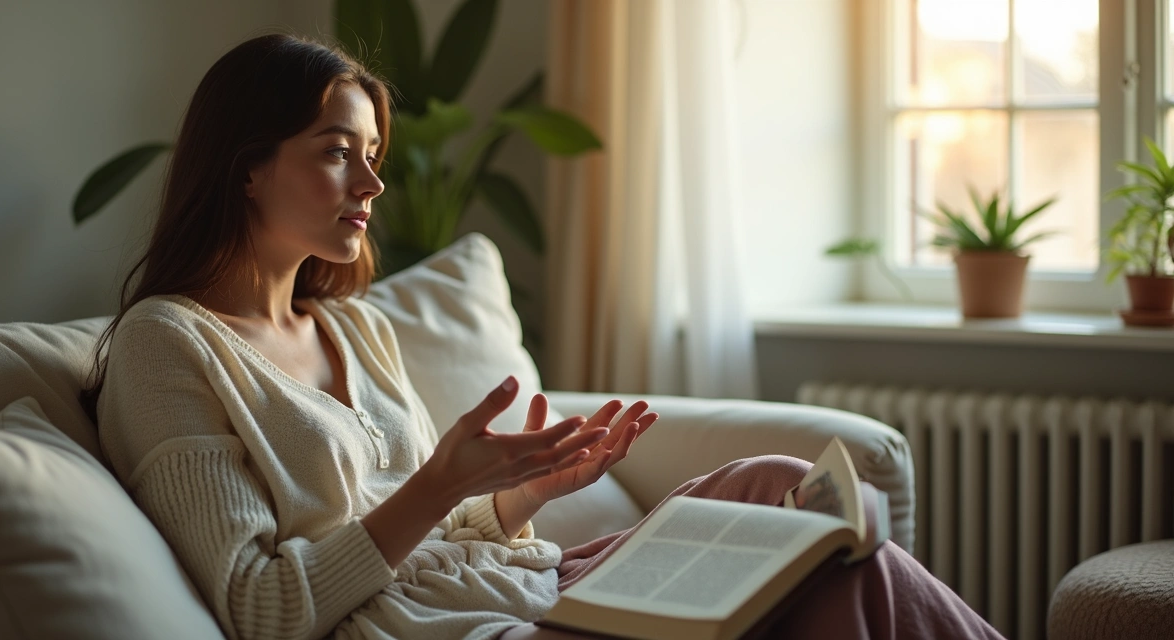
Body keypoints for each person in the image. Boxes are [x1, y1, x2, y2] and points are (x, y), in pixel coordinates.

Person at [80, 32, 1003, 640]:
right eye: (335, 152)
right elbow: (263, 609)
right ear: (245, 168)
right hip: (452, 631)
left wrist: (522, 494)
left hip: (515, 581)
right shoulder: (169, 347)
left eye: (372, 156)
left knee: (775, 484)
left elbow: (438, 530)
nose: (372, 184)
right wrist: (441, 482)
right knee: (839, 575)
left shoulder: (354, 328)